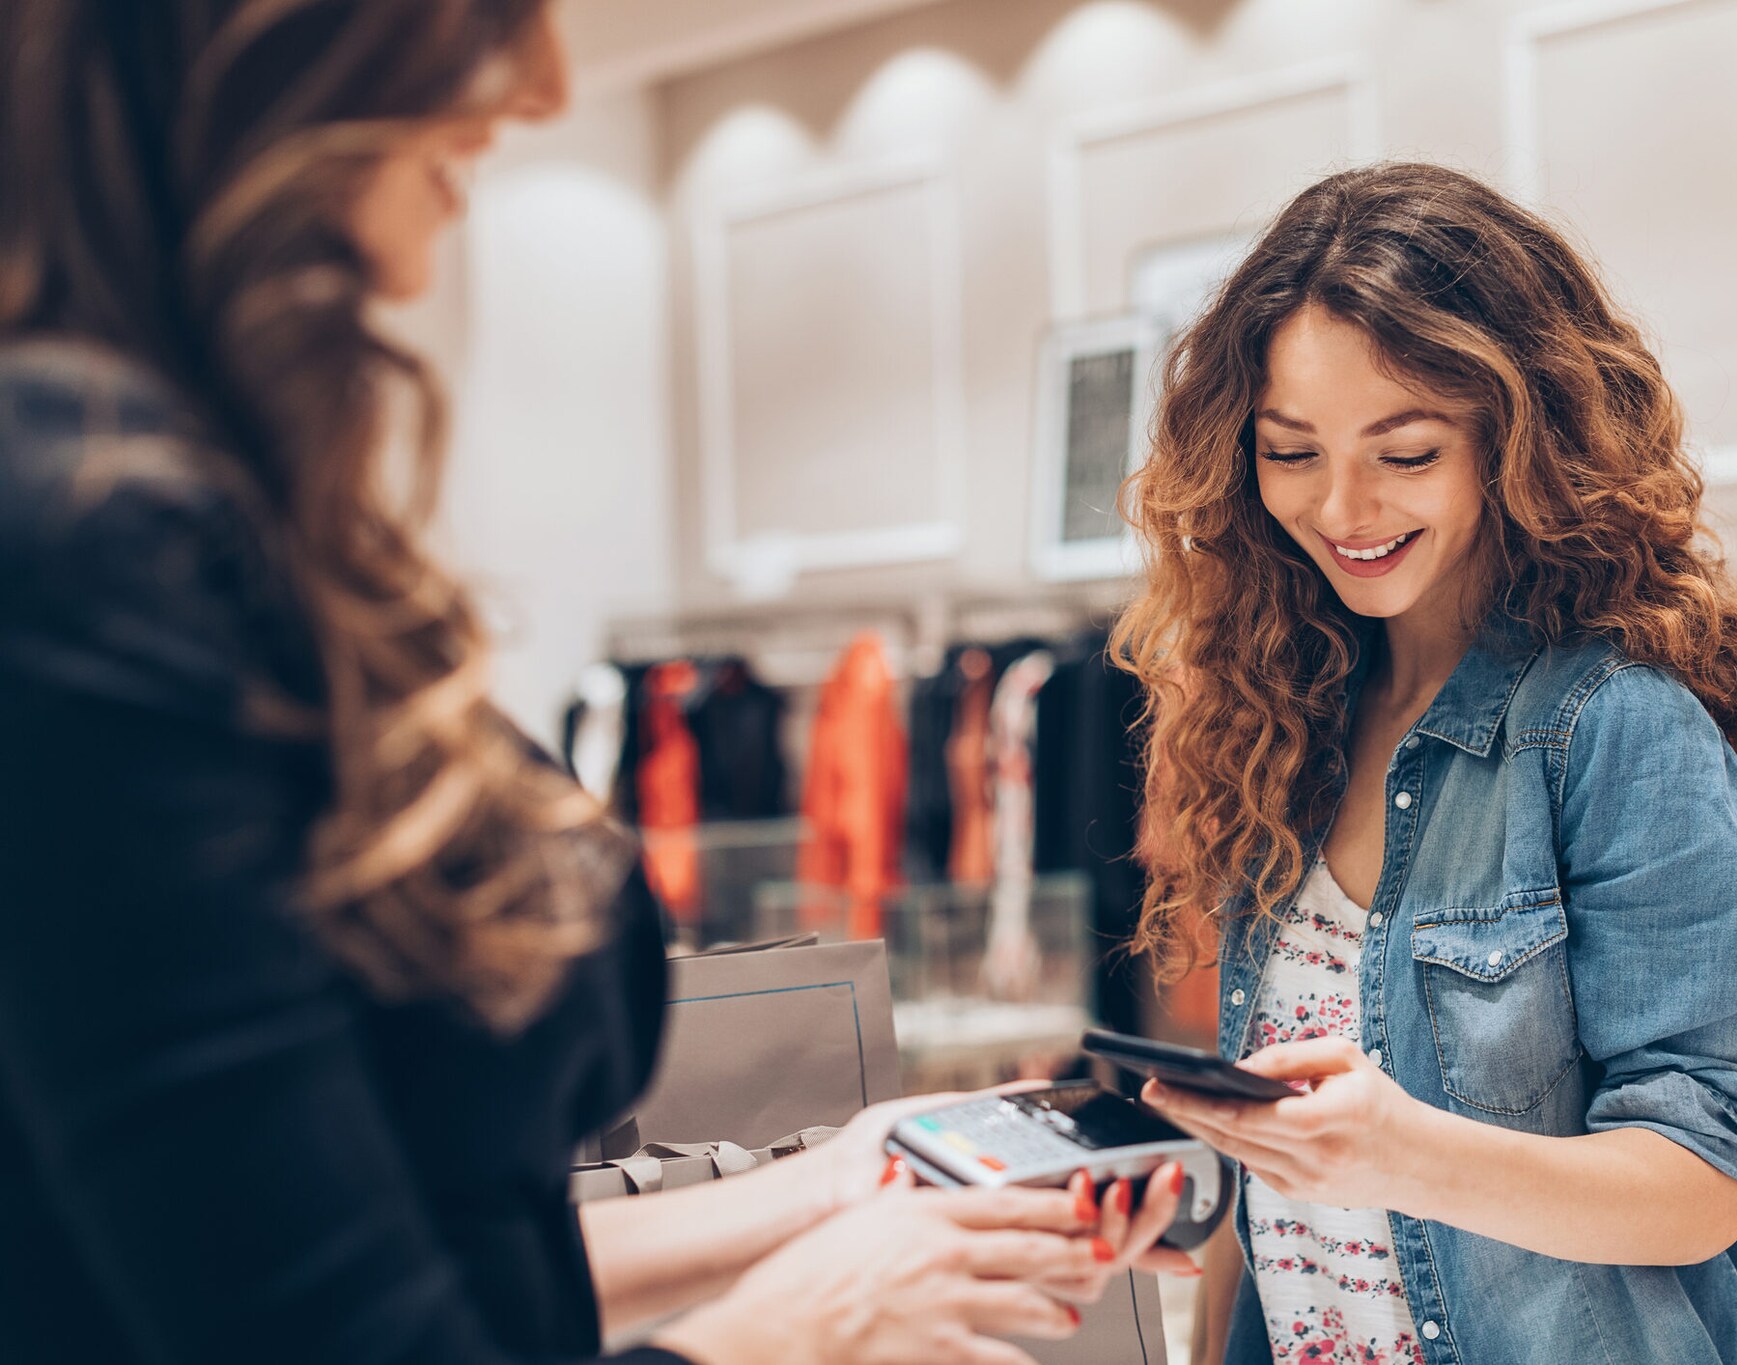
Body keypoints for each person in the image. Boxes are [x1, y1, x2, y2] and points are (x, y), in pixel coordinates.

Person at [0, 4, 1187, 1362]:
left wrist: (841, 1180)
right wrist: (807, 1329)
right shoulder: (84, 537)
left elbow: (398, 1261)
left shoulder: (187, 507)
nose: (549, 86)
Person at [1111, 162, 1737, 1365]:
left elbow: (1695, 1183)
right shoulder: (1275, 721)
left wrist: (1400, 1154)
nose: (1342, 506)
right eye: (1289, 452)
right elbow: (1275, 1152)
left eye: (1406, 451)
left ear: (1517, 435)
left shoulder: (1609, 726)